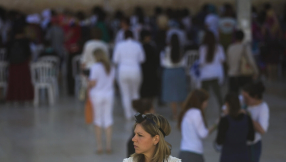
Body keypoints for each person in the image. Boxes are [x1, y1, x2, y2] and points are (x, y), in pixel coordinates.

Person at [113, 30, 145, 120]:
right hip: (135, 70)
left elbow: (115, 60)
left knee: (125, 94)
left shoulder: (119, 45)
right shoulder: (138, 45)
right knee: (135, 93)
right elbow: (142, 59)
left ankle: (128, 115)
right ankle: (137, 114)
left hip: (123, 71)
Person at [178, 89, 217, 162]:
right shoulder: (196, 113)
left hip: (183, 152)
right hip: (194, 154)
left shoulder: (186, 112)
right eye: (206, 101)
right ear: (200, 101)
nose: (207, 103)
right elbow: (203, 134)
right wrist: (215, 126)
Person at [88, 49, 115, 154]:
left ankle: (99, 146)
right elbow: (112, 81)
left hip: (97, 95)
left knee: (98, 120)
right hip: (109, 94)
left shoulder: (95, 67)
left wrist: (87, 82)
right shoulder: (111, 67)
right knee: (108, 120)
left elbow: (93, 83)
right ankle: (108, 146)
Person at [215, 93, 255, 162]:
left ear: (227, 104)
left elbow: (219, 141)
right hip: (243, 156)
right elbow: (251, 138)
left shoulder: (224, 120)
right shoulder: (247, 118)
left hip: (228, 157)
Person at [161, 34, 188, 120]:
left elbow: (162, 62)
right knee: (181, 95)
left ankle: (175, 115)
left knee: (172, 95)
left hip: (169, 72)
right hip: (180, 72)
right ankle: (183, 114)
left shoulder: (166, 50)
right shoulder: (182, 50)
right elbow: (185, 63)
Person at [241, 81, 269, 162]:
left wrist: (247, 116)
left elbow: (262, 130)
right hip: (239, 143)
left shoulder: (263, 108)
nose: (243, 99)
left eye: (246, 98)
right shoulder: (241, 101)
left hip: (252, 145)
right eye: (243, 96)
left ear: (255, 97)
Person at [6, 27, 34, 103]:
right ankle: (25, 96)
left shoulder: (10, 42)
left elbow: (7, 55)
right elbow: (28, 53)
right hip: (23, 63)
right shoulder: (25, 41)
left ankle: (13, 97)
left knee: (14, 81)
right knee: (24, 81)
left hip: (13, 64)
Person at [199, 30, 225, 110]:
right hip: (216, 74)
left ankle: (200, 111)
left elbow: (201, 62)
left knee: (202, 97)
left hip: (205, 75)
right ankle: (223, 111)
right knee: (218, 95)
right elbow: (223, 60)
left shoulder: (202, 48)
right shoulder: (219, 48)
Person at [140, 30, 160, 99]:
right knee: (151, 92)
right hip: (151, 71)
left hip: (144, 71)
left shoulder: (140, 47)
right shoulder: (151, 47)